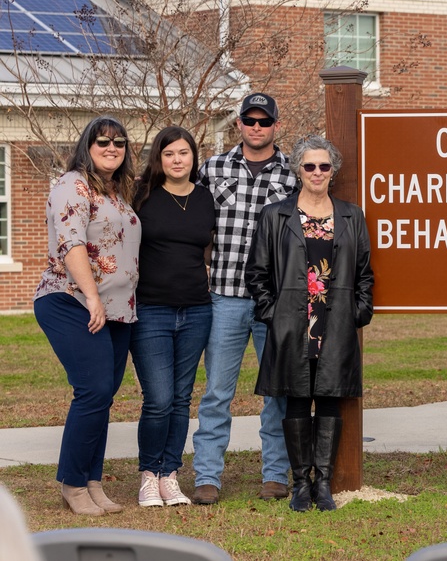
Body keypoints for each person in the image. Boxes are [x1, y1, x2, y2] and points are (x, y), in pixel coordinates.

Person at [246, 134, 374, 512]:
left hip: (335, 322)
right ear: (297, 170)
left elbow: (365, 272)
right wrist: (274, 313)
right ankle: (300, 484)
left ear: (332, 171)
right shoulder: (276, 215)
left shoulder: (351, 215)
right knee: (297, 399)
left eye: (324, 166)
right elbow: (258, 273)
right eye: (309, 166)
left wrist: (359, 312)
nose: (317, 172)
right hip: (292, 323)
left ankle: (324, 484)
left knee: (330, 398)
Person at [191, 92, 299, 505]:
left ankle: (275, 474)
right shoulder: (213, 168)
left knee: (278, 392)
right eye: (249, 121)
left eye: (264, 121)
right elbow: (194, 221)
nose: (257, 128)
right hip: (226, 298)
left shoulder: (293, 174)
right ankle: (207, 477)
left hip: (275, 302)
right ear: (239, 124)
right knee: (217, 391)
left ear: (275, 125)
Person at [33, 115, 140, 516]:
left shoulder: (115, 191)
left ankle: (92, 482)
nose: (111, 148)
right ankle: (73, 484)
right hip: (71, 301)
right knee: (93, 390)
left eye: (118, 142)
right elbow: (72, 243)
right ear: (87, 147)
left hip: (116, 310)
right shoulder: (72, 185)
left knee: (103, 397)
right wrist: (93, 298)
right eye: (102, 142)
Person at [130, 126, 215, 507]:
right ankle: (149, 475)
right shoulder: (142, 197)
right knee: (159, 398)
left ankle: (170, 475)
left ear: (193, 157)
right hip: (151, 310)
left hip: (197, 310)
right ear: (158, 159)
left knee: (181, 398)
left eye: (183, 153)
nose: (177, 160)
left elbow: (208, 250)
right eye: (169, 154)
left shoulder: (205, 199)